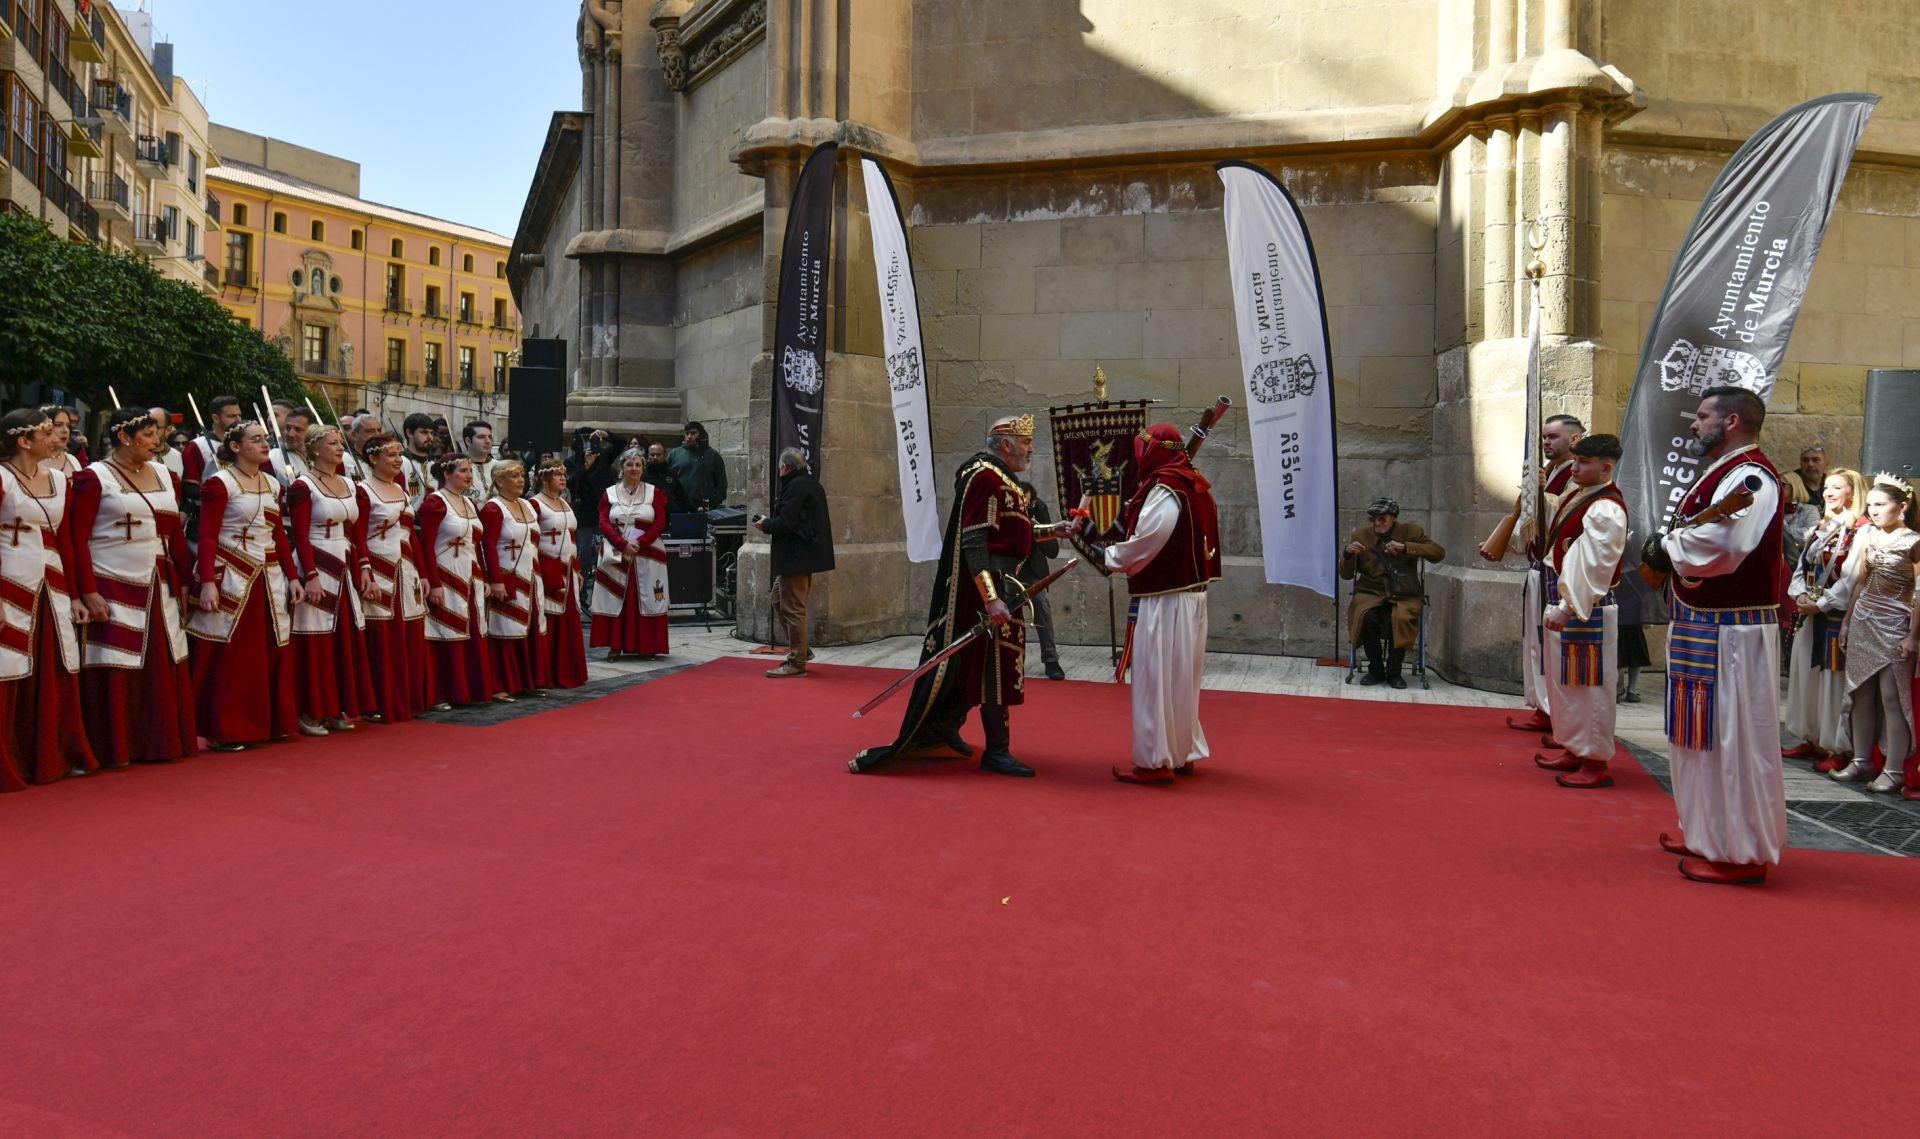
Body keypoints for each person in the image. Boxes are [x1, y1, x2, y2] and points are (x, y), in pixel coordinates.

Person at [852, 414, 1056, 777]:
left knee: (988, 667)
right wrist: (991, 599)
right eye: (1025, 441)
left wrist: (1060, 530)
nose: (1031, 448)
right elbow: (975, 542)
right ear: (1005, 443)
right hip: (988, 592)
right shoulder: (984, 477)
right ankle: (998, 751)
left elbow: (1015, 533)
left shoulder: (1004, 479)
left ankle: (943, 729)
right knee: (993, 669)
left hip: (1007, 589)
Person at [1640, 387, 1787, 885]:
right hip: (1705, 626)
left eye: (1702, 416)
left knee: (1733, 739)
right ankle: (1705, 830)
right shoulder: (1721, 473)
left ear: (1731, 422)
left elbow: (1730, 544)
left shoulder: (1752, 476)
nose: (1693, 425)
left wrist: (1669, 546)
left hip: (1734, 633)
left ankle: (1741, 851)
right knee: (1698, 737)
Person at [1074, 423, 1222, 784]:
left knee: (1156, 681)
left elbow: (1148, 541)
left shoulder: (1166, 490)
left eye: (1144, 450)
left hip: (1165, 600)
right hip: (1191, 598)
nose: (1139, 457)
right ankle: (1183, 750)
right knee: (1182, 681)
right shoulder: (1195, 485)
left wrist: (1106, 555)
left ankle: (1155, 761)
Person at [68, 408, 198, 765]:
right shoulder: (94, 478)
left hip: (160, 581)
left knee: (165, 657)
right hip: (112, 581)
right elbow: (77, 539)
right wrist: (87, 589)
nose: (158, 441)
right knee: (116, 661)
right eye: (150, 434)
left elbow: (173, 533)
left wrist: (185, 580)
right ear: (125, 437)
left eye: (159, 434)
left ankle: (159, 742)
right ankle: (116, 746)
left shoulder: (163, 474)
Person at [188, 419, 307, 750]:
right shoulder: (219, 483)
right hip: (233, 575)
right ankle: (226, 728)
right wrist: (209, 581)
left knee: (270, 650)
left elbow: (279, 535)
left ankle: (269, 722)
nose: (264, 443)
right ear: (236, 447)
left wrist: (293, 576)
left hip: (268, 578)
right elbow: (208, 535)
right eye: (255, 439)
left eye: (265, 438)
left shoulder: (272, 483)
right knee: (231, 655)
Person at [0, 408, 100, 788]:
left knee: (56, 663)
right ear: (24, 440)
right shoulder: (1, 478)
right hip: (10, 581)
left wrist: (75, 595)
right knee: (7, 665)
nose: (56, 437)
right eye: (46, 432)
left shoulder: (60, 480)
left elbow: (67, 541)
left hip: (53, 585)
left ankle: (51, 754)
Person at [1531, 435, 1629, 789]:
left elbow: (1596, 564)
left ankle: (1596, 761)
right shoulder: (1580, 495)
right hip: (1572, 604)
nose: (1574, 468)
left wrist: (1569, 605)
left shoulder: (1606, 507)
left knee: (1591, 688)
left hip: (1591, 608)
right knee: (1568, 685)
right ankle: (1575, 746)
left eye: (1584, 463)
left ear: (1606, 467)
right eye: (1575, 461)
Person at [1481, 414, 1584, 733]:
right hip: (1538, 568)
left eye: (1553, 436)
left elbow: (1568, 515)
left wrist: (1538, 493)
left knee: (1553, 646)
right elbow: (1529, 519)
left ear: (1574, 439)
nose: (1546, 442)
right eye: (1544, 437)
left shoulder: (1577, 474)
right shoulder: (1550, 471)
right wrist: (1508, 542)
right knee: (1536, 644)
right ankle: (1543, 707)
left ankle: (1560, 716)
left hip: (1560, 574)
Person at [1829, 476, 1920, 792]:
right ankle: (1861, 759)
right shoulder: (1868, 537)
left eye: (1881, 505)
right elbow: (1860, 582)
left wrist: (1913, 636)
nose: (1874, 511)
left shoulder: (1914, 542)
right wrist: (1846, 623)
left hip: (1896, 624)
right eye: (1871, 505)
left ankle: (1894, 769)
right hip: (1864, 621)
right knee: (1860, 693)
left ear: (1903, 506)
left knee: (1892, 697)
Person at [287, 424, 376, 735]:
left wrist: (365, 568)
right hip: (316, 561)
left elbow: (358, 531)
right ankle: (312, 710)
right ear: (314, 450)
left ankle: (337, 706)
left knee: (343, 636)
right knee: (316, 638)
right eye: (332, 444)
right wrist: (309, 575)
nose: (339, 448)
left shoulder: (351, 485)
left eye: (340, 443)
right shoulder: (302, 485)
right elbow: (299, 534)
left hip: (344, 564)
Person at [1782, 468, 1870, 772]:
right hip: (1810, 613)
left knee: (1833, 681)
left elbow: (1853, 577)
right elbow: (1801, 567)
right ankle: (1812, 737)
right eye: (1828, 487)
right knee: (1807, 676)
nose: (1830, 492)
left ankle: (1837, 745)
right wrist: (1800, 595)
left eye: (1837, 488)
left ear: (1852, 492)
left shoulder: (1861, 530)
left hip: (1834, 617)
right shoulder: (1821, 527)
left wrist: (1822, 604)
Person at [356, 433, 431, 722]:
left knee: (409, 633)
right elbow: (359, 533)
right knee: (382, 636)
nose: (399, 459)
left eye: (400, 454)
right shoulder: (363, 491)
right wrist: (365, 570)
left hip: (406, 568)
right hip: (379, 567)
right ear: (373, 458)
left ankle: (407, 698)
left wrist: (423, 573)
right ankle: (381, 701)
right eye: (391, 454)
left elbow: (411, 533)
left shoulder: (401, 489)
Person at [417, 455, 501, 707]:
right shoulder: (435, 503)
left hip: (471, 574)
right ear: (447, 474)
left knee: (473, 630)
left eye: (470, 471)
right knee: (445, 632)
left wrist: (485, 576)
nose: (469, 475)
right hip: (446, 572)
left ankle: (471, 689)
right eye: (463, 471)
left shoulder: (469, 503)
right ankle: (443, 692)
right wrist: (434, 582)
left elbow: (477, 545)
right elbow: (427, 546)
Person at [1341, 497, 1444, 689]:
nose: (1377, 523)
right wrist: (1347, 554)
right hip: (1371, 591)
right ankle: (1376, 669)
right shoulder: (1361, 535)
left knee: (1401, 618)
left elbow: (1438, 553)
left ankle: (1394, 671)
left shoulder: (1411, 532)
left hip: (1404, 592)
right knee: (1366, 617)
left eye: (1382, 519)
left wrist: (1406, 547)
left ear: (1393, 518)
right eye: (1373, 519)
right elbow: (1346, 575)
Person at [758, 446, 835, 678]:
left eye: (780, 467)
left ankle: (796, 662)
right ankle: (802, 649)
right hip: (798, 557)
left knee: (793, 608)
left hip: (796, 557)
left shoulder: (796, 486)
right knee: (777, 600)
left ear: (785, 467)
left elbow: (787, 522)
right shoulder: (809, 484)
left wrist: (766, 524)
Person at [590, 447, 671, 660]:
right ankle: (615, 645)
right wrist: (621, 543)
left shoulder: (656, 493)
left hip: (648, 554)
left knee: (648, 596)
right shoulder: (609, 493)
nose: (634, 468)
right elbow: (604, 521)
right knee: (614, 596)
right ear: (621, 467)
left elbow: (660, 522)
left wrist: (640, 542)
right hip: (616, 552)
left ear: (643, 468)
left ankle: (647, 645)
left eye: (638, 464)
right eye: (629, 464)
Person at [480, 460, 547, 697]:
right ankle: (501, 684)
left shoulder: (528, 506)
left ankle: (527, 681)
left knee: (530, 627)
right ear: (499, 481)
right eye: (514, 476)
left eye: (522, 476)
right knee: (505, 628)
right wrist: (496, 579)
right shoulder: (493, 508)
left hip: (531, 576)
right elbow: (487, 545)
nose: (521, 480)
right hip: (507, 575)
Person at [533, 458, 587, 690]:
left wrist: (577, 567)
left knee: (569, 619)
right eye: (558, 474)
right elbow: (532, 540)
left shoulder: (565, 504)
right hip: (548, 568)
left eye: (564, 474)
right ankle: (549, 672)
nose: (563, 478)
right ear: (544, 478)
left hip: (568, 569)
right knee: (551, 618)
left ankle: (569, 670)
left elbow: (572, 537)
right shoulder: (535, 504)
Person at [1015, 479, 1066, 681]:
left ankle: (1051, 660)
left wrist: (1038, 531)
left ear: (1033, 503)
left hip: (1033, 571)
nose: (1024, 508)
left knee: (1041, 607)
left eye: (1027, 504)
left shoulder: (1040, 508)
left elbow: (1053, 551)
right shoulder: (1006, 508)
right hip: (1010, 570)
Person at [667, 421, 728, 510]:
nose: (689, 437)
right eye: (687, 433)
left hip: (706, 507)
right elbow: (668, 479)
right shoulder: (674, 454)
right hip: (680, 506)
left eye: (693, 433)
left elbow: (721, 483)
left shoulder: (712, 455)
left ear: (701, 435)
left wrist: (715, 502)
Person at [183, 396, 241, 486]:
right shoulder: (197, 446)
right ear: (215, 418)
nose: (238, 420)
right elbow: (190, 487)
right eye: (231, 416)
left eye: (239, 415)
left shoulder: (244, 443)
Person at [644, 441, 694, 515]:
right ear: (648, 456)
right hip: (649, 515)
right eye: (652, 454)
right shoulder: (642, 474)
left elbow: (682, 495)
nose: (655, 457)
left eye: (658, 455)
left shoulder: (671, 473)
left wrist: (694, 511)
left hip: (670, 515)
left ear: (665, 455)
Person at [401, 412, 439, 508]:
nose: (430, 437)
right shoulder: (400, 463)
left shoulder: (433, 465)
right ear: (409, 433)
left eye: (432, 433)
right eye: (424, 432)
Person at [269, 407, 312, 486]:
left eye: (298, 430)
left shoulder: (320, 457)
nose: (290, 434)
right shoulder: (273, 457)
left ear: (311, 432)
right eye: (288, 428)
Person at [39, 406, 85, 478]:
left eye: (68, 425)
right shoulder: (32, 461)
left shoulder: (73, 460)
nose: (65, 430)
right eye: (58, 425)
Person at [462, 420, 498, 507]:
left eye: (490, 437)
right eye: (481, 437)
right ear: (468, 441)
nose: (488, 441)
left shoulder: (500, 467)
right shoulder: (458, 469)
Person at [151, 407, 183, 478]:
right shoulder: (136, 457)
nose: (149, 431)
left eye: (156, 427)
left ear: (168, 430)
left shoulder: (178, 457)